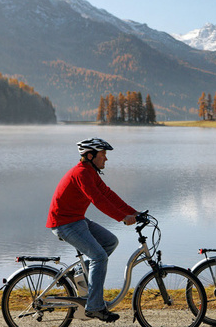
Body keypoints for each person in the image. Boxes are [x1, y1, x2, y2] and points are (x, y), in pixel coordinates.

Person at [46, 137, 138, 323]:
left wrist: (133, 212)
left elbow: (108, 194)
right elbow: (98, 200)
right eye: (103, 154)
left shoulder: (91, 172)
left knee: (110, 242)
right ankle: (94, 307)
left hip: (76, 219)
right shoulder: (82, 173)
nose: (106, 158)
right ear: (90, 155)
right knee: (99, 256)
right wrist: (122, 217)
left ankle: (80, 273)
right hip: (64, 223)